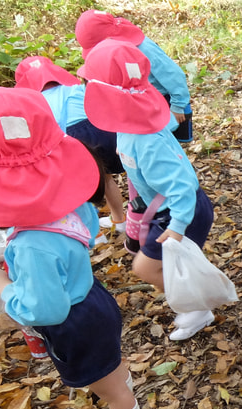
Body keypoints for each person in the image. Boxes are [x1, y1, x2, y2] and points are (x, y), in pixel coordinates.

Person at [0, 87, 146, 409]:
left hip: (74, 323)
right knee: (111, 370)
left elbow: (45, 309)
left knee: (107, 384)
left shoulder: (33, 245)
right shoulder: (66, 204)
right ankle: (121, 408)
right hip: (93, 303)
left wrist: (0, 284)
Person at [79, 39, 215, 341]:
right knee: (162, 264)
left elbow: (180, 184)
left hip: (180, 211)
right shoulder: (133, 120)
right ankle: (194, 294)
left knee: (145, 267)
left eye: (88, 83)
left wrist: (178, 226)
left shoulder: (146, 139)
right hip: (166, 207)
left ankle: (198, 308)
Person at [14, 55, 127, 234]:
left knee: (81, 188)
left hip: (75, 140)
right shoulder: (74, 87)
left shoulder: (35, 101)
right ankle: (120, 220)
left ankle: (94, 234)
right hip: (101, 130)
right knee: (106, 178)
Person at [74, 9, 193, 143]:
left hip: (166, 101)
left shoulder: (144, 48)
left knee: (167, 142)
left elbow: (174, 75)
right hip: (141, 102)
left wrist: (178, 106)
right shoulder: (114, 54)